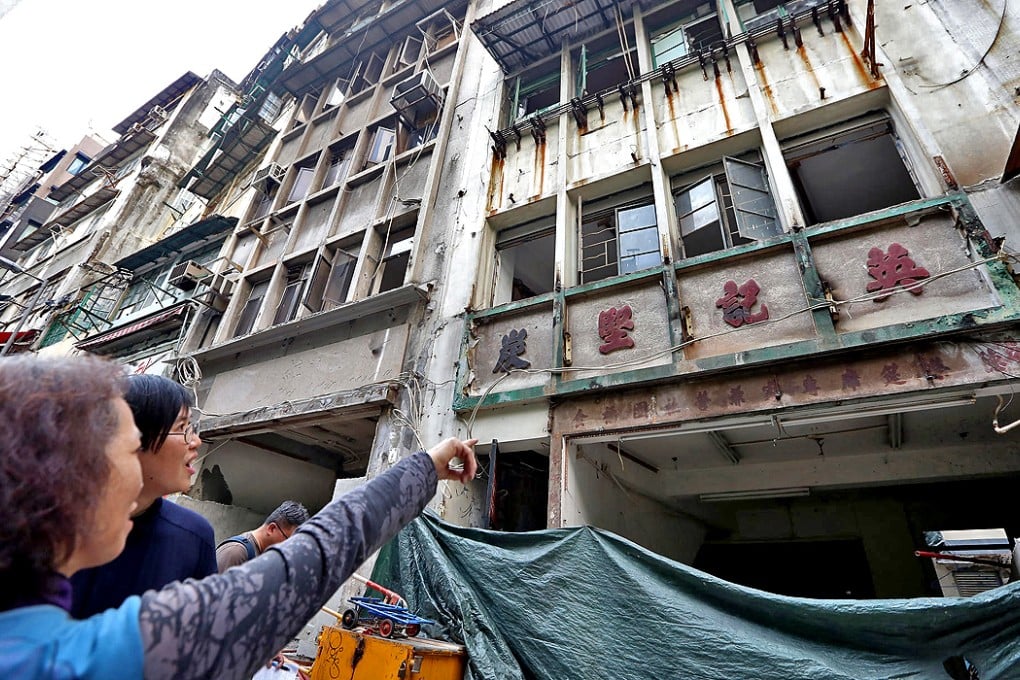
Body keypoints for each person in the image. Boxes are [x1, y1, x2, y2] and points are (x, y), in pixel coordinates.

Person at [0, 355, 477, 679]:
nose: (196, 443)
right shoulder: (85, 659)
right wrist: (426, 468)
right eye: (125, 449)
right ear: (65, 479)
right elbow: (308, 563)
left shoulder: (187, 536)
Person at [71, 373, 217, 618]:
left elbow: (201, 631)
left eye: (192, 428)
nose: (196, 441)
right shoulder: (40, 522)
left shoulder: (193, 536)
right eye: (182, 428)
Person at [217, 501, 310, 572]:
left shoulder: (265, 557)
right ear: (272, 528)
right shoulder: (236, 552)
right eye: (289, 542)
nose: (289, 549)